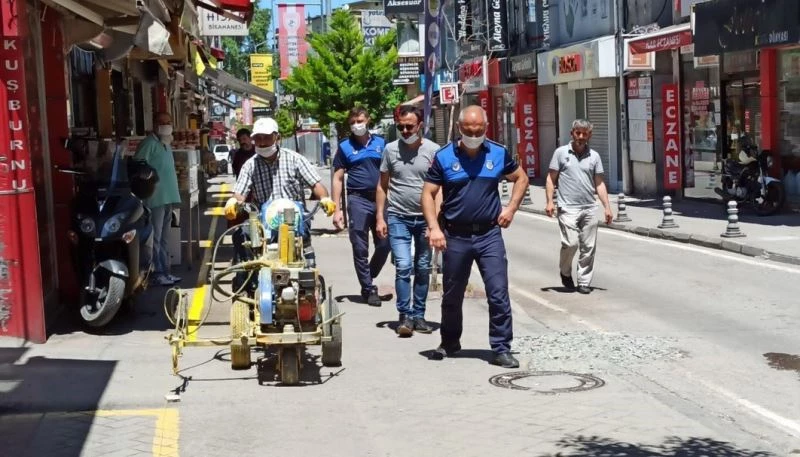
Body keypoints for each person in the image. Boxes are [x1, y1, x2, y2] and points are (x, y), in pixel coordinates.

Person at [421, 105, 529, 369]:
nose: (474, 134)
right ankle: (449, 342)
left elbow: (521, 178)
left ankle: (501, 347)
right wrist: (434, 228)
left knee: (498, 292)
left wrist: (511, 209)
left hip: (489, 235)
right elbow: (428, 193)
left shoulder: (498, 153)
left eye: (479, 130)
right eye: (469, 130)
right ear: (459, 129)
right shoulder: (444, 157)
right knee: (452, 295)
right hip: (455, 236)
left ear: (486, 127)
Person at [223, 117, 336, 259]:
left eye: (267, 137)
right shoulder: (250, 165)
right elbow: (240, 193)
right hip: (263, 219)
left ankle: (307, 264)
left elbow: (316, 185)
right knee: (242, 235)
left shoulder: (295, 159)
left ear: (277, 137)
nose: (262, 143)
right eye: (258, 138)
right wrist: (233, 202)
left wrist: (325, 198)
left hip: (295, 216)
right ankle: (247, 276)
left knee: (304, 240)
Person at [376, 105, 440, 337]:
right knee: (403, 266)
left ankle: (419, 316)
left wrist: (436, 224)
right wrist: (380, 217)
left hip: (425, 219)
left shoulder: (434, 151)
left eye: (409, 126)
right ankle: (404, 316)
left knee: (423, 267)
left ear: (420, 126)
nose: (404, 130)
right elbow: (382, 186)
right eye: (401, 126)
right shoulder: (390, 150)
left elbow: (439, 189)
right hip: (398, 217)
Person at [545, 119, 613, 295]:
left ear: (589, 135)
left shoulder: (594, 157)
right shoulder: (560, 153)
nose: (581, 137)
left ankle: (584, 281)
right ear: (572, 133)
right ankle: (565, 272)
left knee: (588, 247)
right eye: (578, 133)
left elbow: (599, 183)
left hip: (589, 207)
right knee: (571, 243)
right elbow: (551, 179)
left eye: (585, 133)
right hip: (567, 207)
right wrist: (550, 201)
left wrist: (607, 207)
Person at [331, 106, 391, 307]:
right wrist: (336, 209)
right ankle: (368, 288)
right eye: (353, 122)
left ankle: (369, 275)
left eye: (360, 121)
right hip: (358, 200)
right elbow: (338, 178)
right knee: (360, 247)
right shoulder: (345, 147)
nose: (357, 125)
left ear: (368, 120)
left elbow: (391, 171)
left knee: (384, 244)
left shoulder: (382, 143)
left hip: (381, 199)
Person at [134, 112, 182, 287]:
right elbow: (138, 165)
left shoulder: (165, 143)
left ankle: (165, 271)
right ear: (155, 124)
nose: (167, 125)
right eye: (163, 122)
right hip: (155, 198)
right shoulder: (149, 143)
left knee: (164, 238)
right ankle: (156, 272)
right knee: (155, 236)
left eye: (169, 122)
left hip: (168, 197)